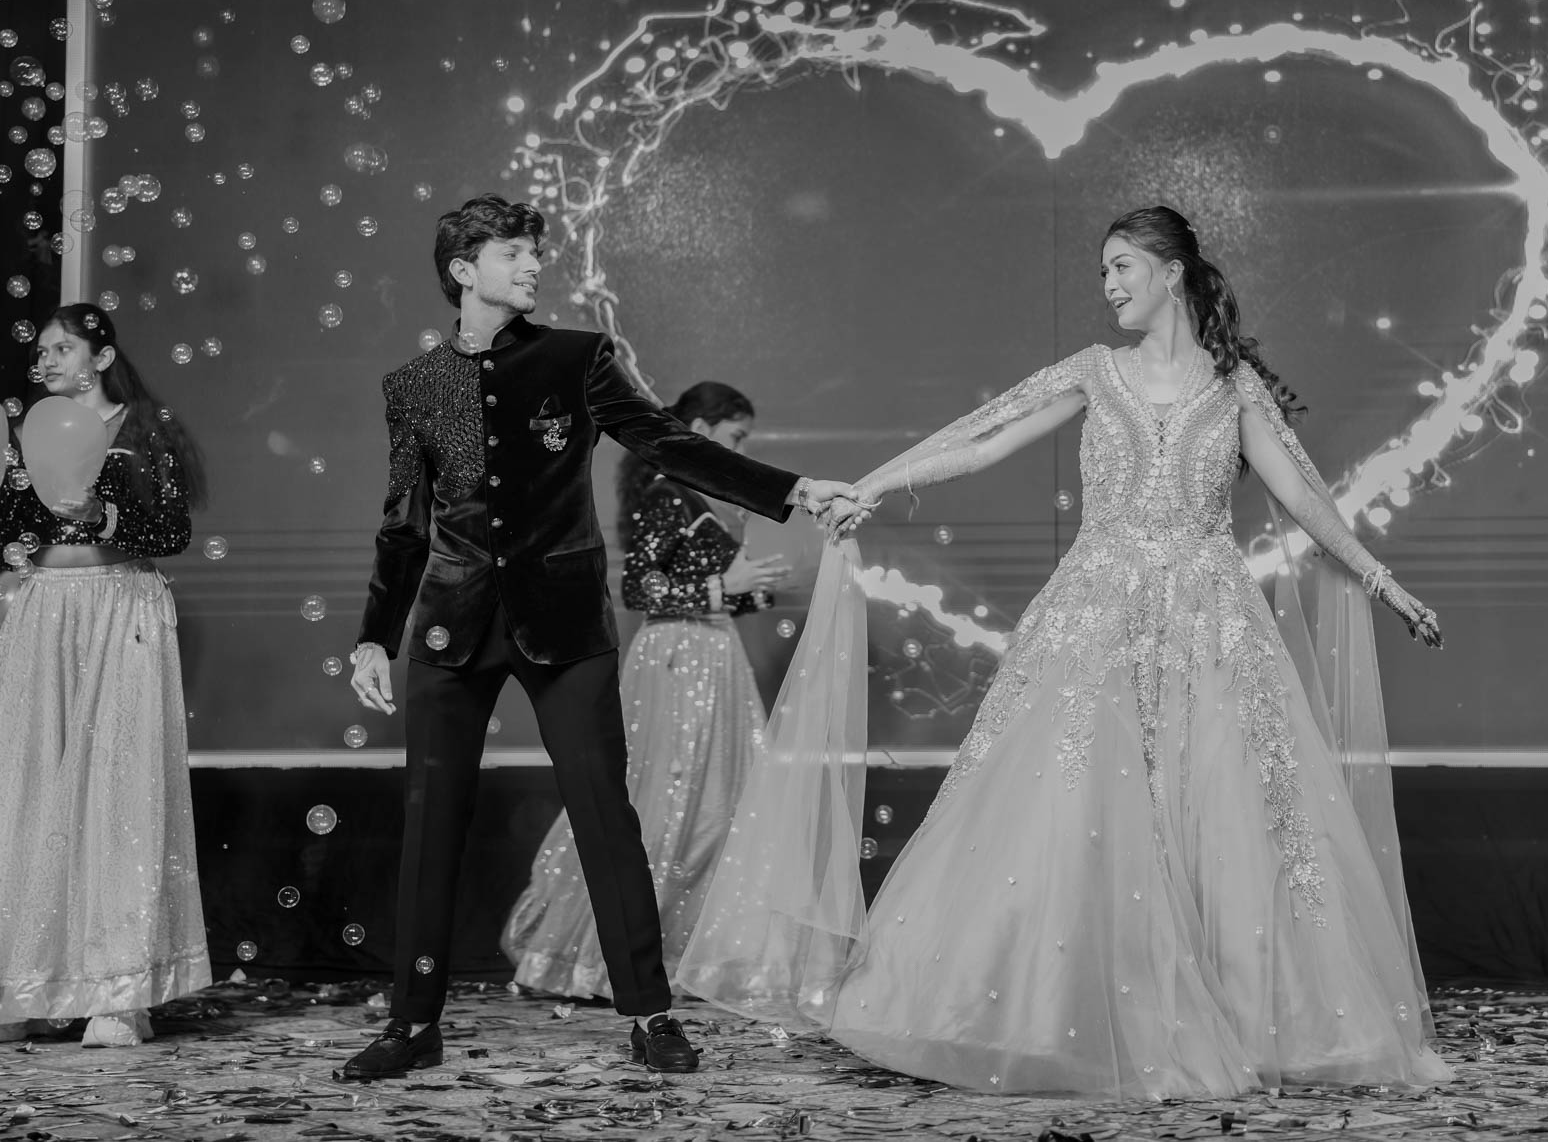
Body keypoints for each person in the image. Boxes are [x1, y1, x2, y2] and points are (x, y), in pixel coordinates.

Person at [678, 206, 1453, 1098]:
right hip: (1097, 618)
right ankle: (1069, 1017)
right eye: (1102, 271)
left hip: (1208, 627)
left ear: (1172, 272)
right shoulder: (1094, 372)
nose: (1109, 285)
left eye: (1122, 266)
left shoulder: (1233, 388)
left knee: (1225, 815)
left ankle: (1240, 1021)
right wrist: (873, 485)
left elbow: (1303, 499)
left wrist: (1381, 580)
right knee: (1078, 807)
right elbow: (981, 438)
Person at [341, 194, 855, 1080]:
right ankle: (411, 1026)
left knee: (605, 818)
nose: (533, 264)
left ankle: (651, 1015)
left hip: (564, 623)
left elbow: (666, 442)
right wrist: (372, 638)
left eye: (533, 251)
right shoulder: (412, 387)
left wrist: (791, 490)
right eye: (512, 252)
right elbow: (403, 524)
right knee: (430, 824)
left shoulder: (576, 359)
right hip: (450, 627)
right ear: (463, 271)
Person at [502, 382, 790, 999]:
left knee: (717, 807)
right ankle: (614, 956)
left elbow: (703, 586)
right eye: (736, 438)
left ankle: (685, 954)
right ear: (700, 429)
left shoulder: (700, 497)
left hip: (713, 654)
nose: (741, 452)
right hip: (680, 661)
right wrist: (723, 587)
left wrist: (751, 587)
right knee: (670, 802)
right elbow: (640, 588)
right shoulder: (668, 493)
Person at [0, 304, 211, 1048]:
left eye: (63, 348)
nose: (47, 360)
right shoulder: (30, 432)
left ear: (102, 356)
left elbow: (173, 531)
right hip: (43, 610)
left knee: (117, 789)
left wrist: (102, 514)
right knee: (33, 782)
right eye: (41, 350)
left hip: (121, 606)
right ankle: (29, 984)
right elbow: (13, 532)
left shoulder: (142, 429)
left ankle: (119, 993)